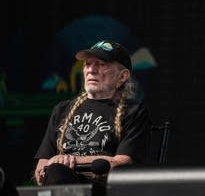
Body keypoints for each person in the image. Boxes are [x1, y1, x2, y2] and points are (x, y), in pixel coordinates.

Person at [33, 40, 151, 186]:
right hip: (60, 182)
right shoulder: (61, 110)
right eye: (88, 64)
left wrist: (70, 161)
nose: (91, 70)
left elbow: (121, 164)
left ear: (122, 76)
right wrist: (55, 165)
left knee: (57, 170)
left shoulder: (133, 112)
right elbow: (41, 169)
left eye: (102, 65)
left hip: (102, 189)